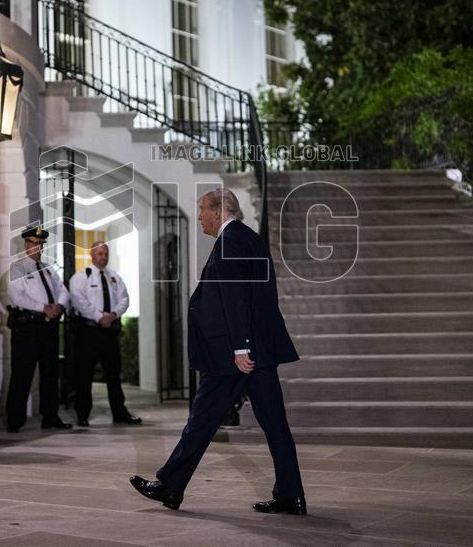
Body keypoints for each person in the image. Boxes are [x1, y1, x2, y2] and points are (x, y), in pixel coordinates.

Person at [129, 188, 306, 515]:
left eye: (201, 210)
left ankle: (170, 485)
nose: (199, 218)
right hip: (258, 354)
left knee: (201, 421)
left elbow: (236, 298)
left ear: (220, 210)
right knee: (276, 425)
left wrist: (242, 347)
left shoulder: (231, 242)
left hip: (235, 357)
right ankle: (290, 495)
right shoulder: (250, 238)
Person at [6, 225, 72, 432]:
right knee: (22, 374)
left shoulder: (49, 270)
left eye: (39, 244)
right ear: (25, 245)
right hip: (28, 328)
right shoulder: (17, 269)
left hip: (48, 327)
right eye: (32, 243)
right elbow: (18, 296)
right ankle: (15, 420)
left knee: (50, 374)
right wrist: (43, 308)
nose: (36, 247)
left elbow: (63, 290)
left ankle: (50, 416)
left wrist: (59, 306)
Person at [69, 240, 142, 427]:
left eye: (106, 254)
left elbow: (124, 299)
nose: (103, 257)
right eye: (100, 254)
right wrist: (99, 316)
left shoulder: (114, 277)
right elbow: (78, 300)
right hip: (88, 332)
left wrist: (114, 315)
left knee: (114, 374)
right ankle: (82, 414)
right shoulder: (80, 277)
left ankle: (120, 413)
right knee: (84, 374)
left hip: (109, 332)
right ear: (92, 255)